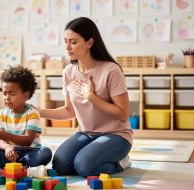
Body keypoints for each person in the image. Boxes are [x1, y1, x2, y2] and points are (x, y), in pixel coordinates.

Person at [38, 17, 133, 178]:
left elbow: (123, 114)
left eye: (73, 42)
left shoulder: (111, 70)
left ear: (89, 42)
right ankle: (94, 155)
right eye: (65, 41)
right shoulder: (68, 71)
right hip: (86, 133)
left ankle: (121, 161)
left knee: (85, 167)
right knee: (61, 165)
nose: (67, 47)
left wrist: (92, 97)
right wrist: (39, 112)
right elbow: (69, 111)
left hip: (116, 135)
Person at [0, 66, 52, 178]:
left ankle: (7, 168)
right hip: (9, 153)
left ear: (26, 95)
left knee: (45, 152)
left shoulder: (32, 113)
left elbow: (28, 141)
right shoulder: (2, 113)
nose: (7, 97)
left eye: (12, 94)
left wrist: (6, 135)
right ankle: (26, 170)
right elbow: (0, 139)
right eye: (4, 93)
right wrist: (6, 147)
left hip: (29, 152)